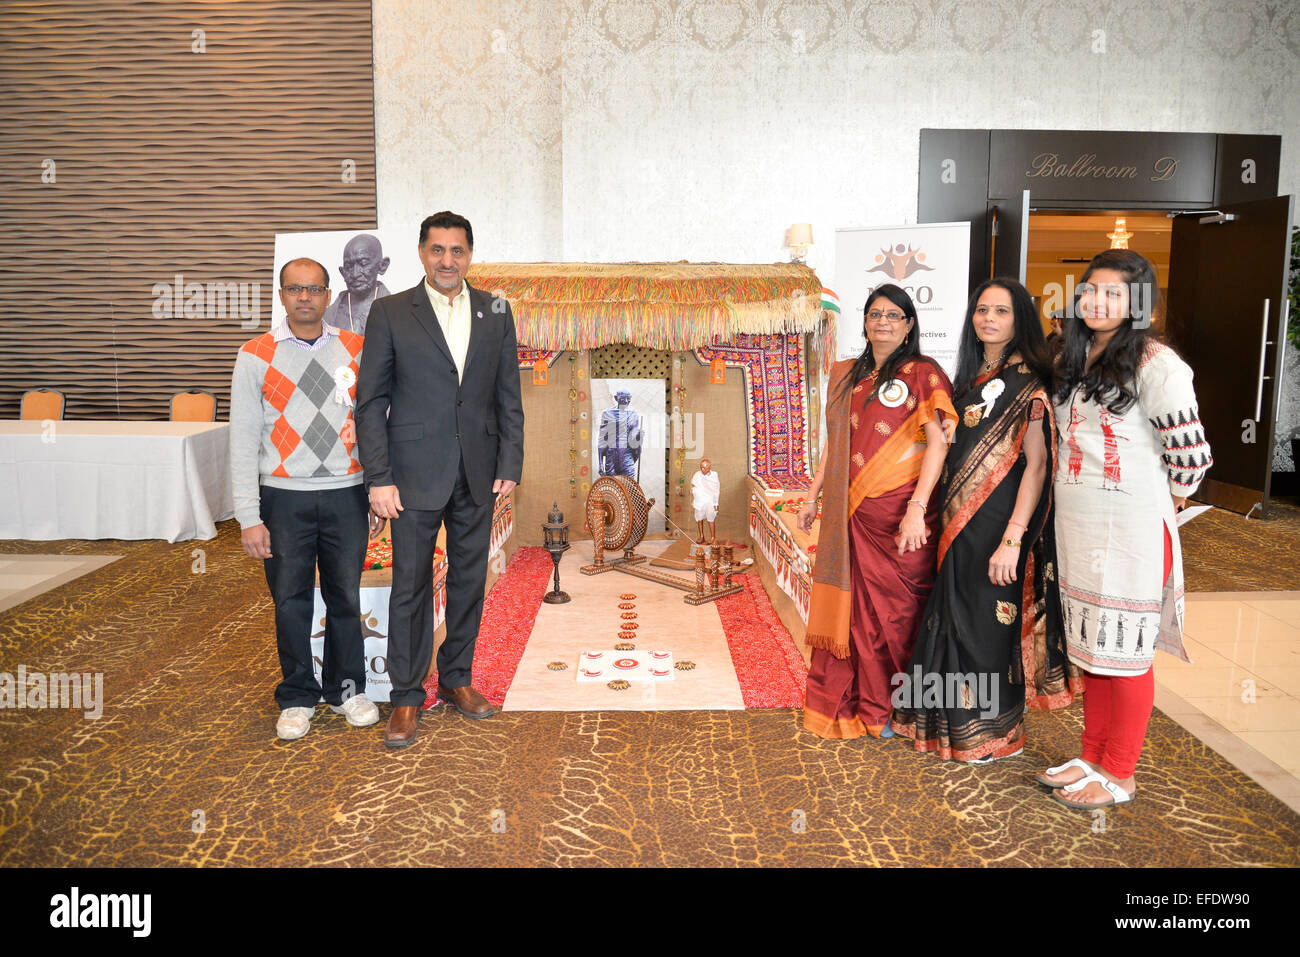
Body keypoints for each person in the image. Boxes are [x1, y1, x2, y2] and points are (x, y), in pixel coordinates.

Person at [1037, 249, 1212, 808]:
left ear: (1138, 304)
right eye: (1089, 290)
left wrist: (1155, 504)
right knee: (1093, 652)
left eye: (1114, 293)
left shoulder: (1157, 364)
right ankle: (1091, 756)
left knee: (1126, 654)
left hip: (1132, 531)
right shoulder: (1073, 354)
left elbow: (1192, 459)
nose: (1097, 301)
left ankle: (1120, 772)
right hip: (1080, 529)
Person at [890, 278, 1080, 763]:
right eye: (981, 310)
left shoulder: (1031, 383)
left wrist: (1013, 540)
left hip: (999, 523)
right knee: (954, 618)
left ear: (1019, 320)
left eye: (1001, 311)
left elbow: (1037, 466)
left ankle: (995, 735)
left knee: (988, 626)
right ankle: (949, 727)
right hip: (958, 523)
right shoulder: (969, 379)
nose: (988, 318)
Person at [356, 211, 524, 748]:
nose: (447, 260)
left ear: (470, 254)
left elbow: (507, 396)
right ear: (422, 253)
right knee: (409, 585)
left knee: (468, 581)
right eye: (437, 250)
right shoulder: (388, 312)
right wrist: (378, 478)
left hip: (478, 472)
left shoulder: (495, 310)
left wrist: (510, 465)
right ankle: (406, 696)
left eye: (457, 251)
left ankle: (456, 680)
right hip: (409, 477)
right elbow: (371, 402)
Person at [230, 257, 383, 741]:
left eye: (314, 289)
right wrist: (247, 517)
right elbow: (241, 440)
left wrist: (375, 490)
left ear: (326, 293)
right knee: (290, 601)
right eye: (295, 289)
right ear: (281, 295)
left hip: (346, 494)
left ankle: (346, 690)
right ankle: (297, 695)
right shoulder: (255, 354)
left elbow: (378, 426)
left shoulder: (356, 349)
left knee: (345, 596)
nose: (305, 297)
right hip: (284, 498)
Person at [799, 284, 956, 739]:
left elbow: (938, 444)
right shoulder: (849, 374)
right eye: (874, 314)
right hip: (851, 514)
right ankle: (864, 705)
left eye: (893, 315)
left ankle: (895, 708)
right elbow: (836, 444)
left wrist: (915, 509)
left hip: (899, 515)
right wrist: (813, 496)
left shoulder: (923, 374)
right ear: (865, 322)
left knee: (898, 614)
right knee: (856, 616)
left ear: (909, 324)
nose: (882, 322)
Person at [322, 233, 391, 336]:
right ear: (342, 272)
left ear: (382, 266)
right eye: (349, 266)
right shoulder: (327, 316)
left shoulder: (396, 311)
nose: (355, 274)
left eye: (363, 263)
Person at [598, 389, 641, 478]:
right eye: (622, 398)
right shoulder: (607, 413)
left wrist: (638, 437)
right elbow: (602, 439)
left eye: (628, 398)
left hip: (626, 455)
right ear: (616, 398)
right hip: (611, 455)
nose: (625, 401)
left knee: (630, 485)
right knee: (613, 486)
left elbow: (634, 439)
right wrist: (600, 463)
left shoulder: (633, 414)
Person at [691, 458, 721, 545]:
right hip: (700, 500)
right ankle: (701, 536)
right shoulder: (697, 474)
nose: (702, 469)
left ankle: (712, 537)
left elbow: (716, 490)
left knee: (710, 518)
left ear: (709, 467)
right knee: (699, 519)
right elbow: (694, 484)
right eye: (701, 467)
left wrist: (716, 503)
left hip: (710, 500)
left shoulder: (714, 475)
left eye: (704, 467)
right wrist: (692, 490)